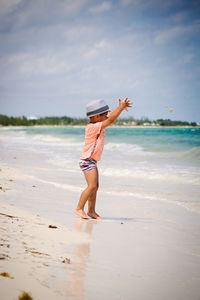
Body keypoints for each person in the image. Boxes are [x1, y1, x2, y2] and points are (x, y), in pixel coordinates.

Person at [75, 97, 132, 220]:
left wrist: (120, 107)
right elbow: (111, 119)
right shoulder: (93, 127)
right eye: (104, 115)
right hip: (87, 160)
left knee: (95, 186)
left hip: (91, 161)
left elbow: (110, 115)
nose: (107, 116)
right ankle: (79, 208)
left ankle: (91, 211)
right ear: (96, 117)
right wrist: (121, 108)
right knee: (92, 186)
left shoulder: (97, 123)